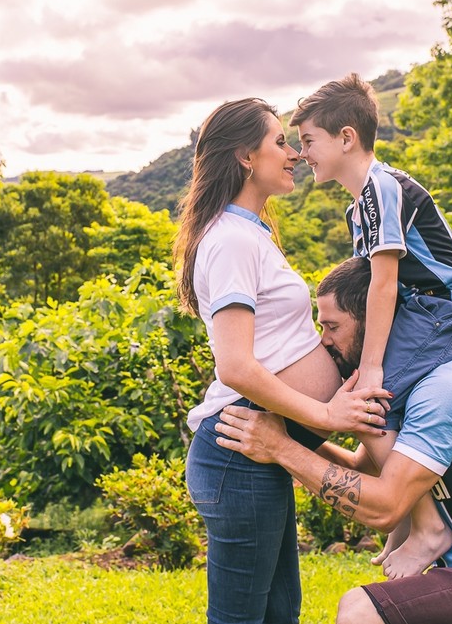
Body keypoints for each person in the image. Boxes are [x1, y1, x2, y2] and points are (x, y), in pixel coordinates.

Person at [215, 257, 452, 624]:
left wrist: (281, 447)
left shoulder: (444, 387)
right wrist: (275, 438)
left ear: (376, 321)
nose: (323, 340)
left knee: (360, 610)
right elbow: (364, 469)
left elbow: (386, 506)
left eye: (332, 327)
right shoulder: (408, 387)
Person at [173, 98, 387, 624]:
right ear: (247, 155)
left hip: (257, 455)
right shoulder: (229, 241)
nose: (292, 154)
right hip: (237, 453)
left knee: (279, 613)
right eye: (279, 142)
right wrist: (327, 417)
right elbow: (236, 368)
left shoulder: (250, 235)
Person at [290, 73, 452, 578]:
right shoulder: (362, 203)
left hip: (441, 309)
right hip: (418, 310)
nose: (303, 152)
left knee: (373, 397)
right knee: (364, 396)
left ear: (347, 137)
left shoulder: (381, 189)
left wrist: (373, 365)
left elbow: (383, 285)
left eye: (309, 141)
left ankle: (428, 527)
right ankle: (410, 516)